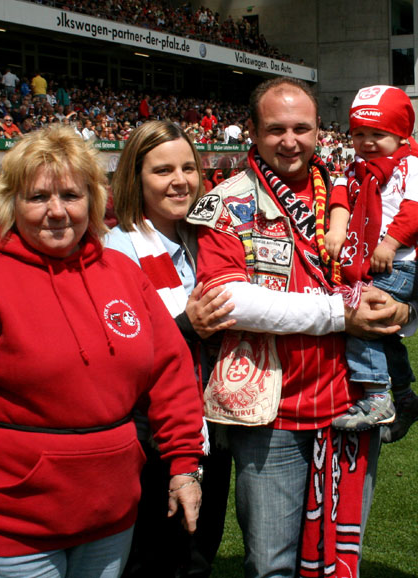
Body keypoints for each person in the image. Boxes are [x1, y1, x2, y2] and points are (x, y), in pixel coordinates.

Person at [0, 125, 205, 578]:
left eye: (71, 195)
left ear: (93, 199)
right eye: (37, 197)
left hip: (109, 521)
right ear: (10, 203)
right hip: (10, 532)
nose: (56, 212)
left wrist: (184, 464)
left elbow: (171, 373)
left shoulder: (122, 273)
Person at [188, 78, 415, 578]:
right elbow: (232, 301)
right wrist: (339, 314)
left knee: (339, 559)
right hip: (272, 414)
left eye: (301, 128)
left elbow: (400, 265)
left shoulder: (354, 190)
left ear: (318, 130)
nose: (289, 141)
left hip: (353, 404)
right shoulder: (226, 202)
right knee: (271, 565)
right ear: (251, 130)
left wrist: (404, 312)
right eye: (275, 129)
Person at [106, 120, 235, 578]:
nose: (180, 181)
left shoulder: (205, 240)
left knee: (200, 553)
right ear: (135, 178)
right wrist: (188, 327)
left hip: (213, 421)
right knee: (155, 560)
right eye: (163, 171)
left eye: (188, 168)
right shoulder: (117, 248)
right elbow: (118, 353)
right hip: (153, 435)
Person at [324, 85, 418, 443]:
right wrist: (337, 228)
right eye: (360, 134)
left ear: (400, 134)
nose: (368, 142)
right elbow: (340, 198)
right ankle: (404, 397)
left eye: (378, 134)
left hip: (398, 262)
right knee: (386, 336)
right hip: (363, 260)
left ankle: (376, 397)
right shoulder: (355, 168)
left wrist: (390, 244)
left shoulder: (410, 166)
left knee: (362, 320)